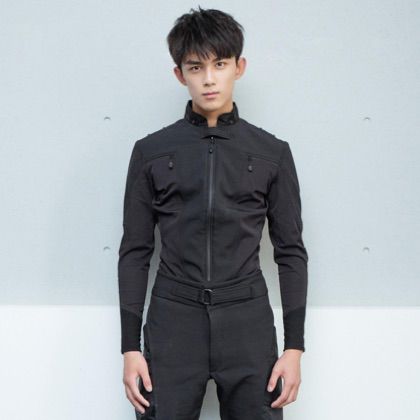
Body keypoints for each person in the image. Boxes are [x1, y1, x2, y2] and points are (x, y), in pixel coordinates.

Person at [118, 6, 308, 420]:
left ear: (239, 67)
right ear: (179, 74)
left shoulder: (272, 153)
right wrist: (130, 348)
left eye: (219, 64)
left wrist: (294, 348)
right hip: (173, 320)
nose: (208, 79)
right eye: (195, 67)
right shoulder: (151, 152)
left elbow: (291, 251)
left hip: (246, 321)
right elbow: (134, 251)